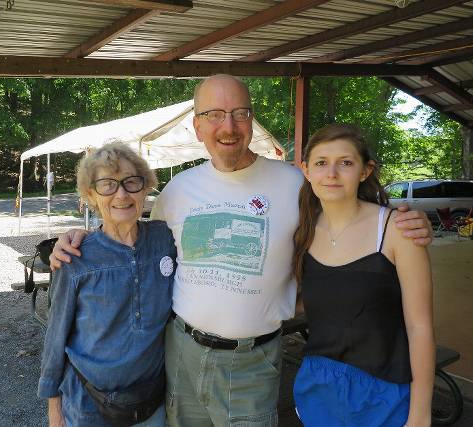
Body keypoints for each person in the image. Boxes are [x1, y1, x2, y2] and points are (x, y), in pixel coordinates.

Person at [50, 74, 433, 427]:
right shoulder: (177, 191)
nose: (228, 127)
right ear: (197, 127)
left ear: (252, 121)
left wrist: (402, 218)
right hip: (181, 353)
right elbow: (134, 237)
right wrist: (80, 238)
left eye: (239, 114)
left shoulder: (296, 183)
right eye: (214, 115)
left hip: (252, 361)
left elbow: (343, 212)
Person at [292, 124, 435, 427]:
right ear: (306, 170)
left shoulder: (398, 229)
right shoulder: (302, 230)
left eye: (345, 163)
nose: (331, 173)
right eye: (321, 163)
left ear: (364, 171)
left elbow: (419, 326)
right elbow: (309, 302)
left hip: (383, 392)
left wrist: (420, 416)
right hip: (319, 387)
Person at [38, 141, 176, 427]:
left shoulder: (166, 240)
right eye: (107, 185)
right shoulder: (75, 257)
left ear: (146, 187)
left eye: (131, 182)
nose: (122, 194)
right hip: (88, 406)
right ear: (91, 195)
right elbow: (55, 337)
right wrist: (55, 410)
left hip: (151, 403)